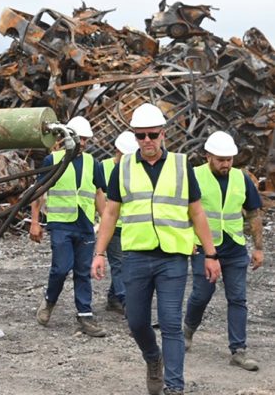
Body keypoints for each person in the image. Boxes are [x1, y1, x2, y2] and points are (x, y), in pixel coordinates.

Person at [91, 103, 221, 395]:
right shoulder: (122, 167)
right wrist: (99, 253)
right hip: (135, 257)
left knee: (171, 324)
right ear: (134, 136)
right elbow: (110, 213)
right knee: (136, 323)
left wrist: (210, 255)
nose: (147, 141)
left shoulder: (180, 165)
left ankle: (175, 387)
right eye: (141, 136)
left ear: (163, 134)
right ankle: (153, 359)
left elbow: (197, 212)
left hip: (173, 258)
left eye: (152, 134)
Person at [183, 131, 264, 371]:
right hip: (204, 248)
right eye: (221, 159)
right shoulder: (194, 176)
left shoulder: (242, 178)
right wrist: (188, 239)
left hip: (235, 248)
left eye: (229, 159)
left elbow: (253, 213)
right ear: (208, 156)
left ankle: (238, 350)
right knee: (202, 294)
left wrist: (259, 248)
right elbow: (182, 212)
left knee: (237, 298)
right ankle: (187, 331)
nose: (226, 164)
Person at [30, 115, 107, 338]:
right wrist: (35, 222)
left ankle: (85, 315)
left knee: (83, 271)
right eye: (79, 138)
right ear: (67, 137)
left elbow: (98, 193)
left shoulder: (93, 163)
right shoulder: (52, 161)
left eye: (85, 140)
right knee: (61, 268)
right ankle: (49, 301)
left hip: (84, 225)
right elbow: (38, 191)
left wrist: (105, 222)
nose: (82, 143)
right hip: (61, 224)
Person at [101, 130, 139, 314]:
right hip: (113, 227)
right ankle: (127, 304)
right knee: (119, 266)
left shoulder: (135, 168)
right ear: (117, 150)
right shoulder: (104, 168)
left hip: (131, 226)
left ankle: (113, 298)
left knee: (126, 265)